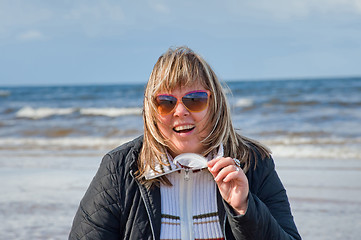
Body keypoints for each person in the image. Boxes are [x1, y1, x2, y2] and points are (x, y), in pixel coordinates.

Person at [69, 46, 301, 240]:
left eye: (195, 99)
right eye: (166, 102)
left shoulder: (253, 163)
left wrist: (245, 208)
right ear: (152, 110)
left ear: (215, 103)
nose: (180, 111)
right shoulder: (120, 168)